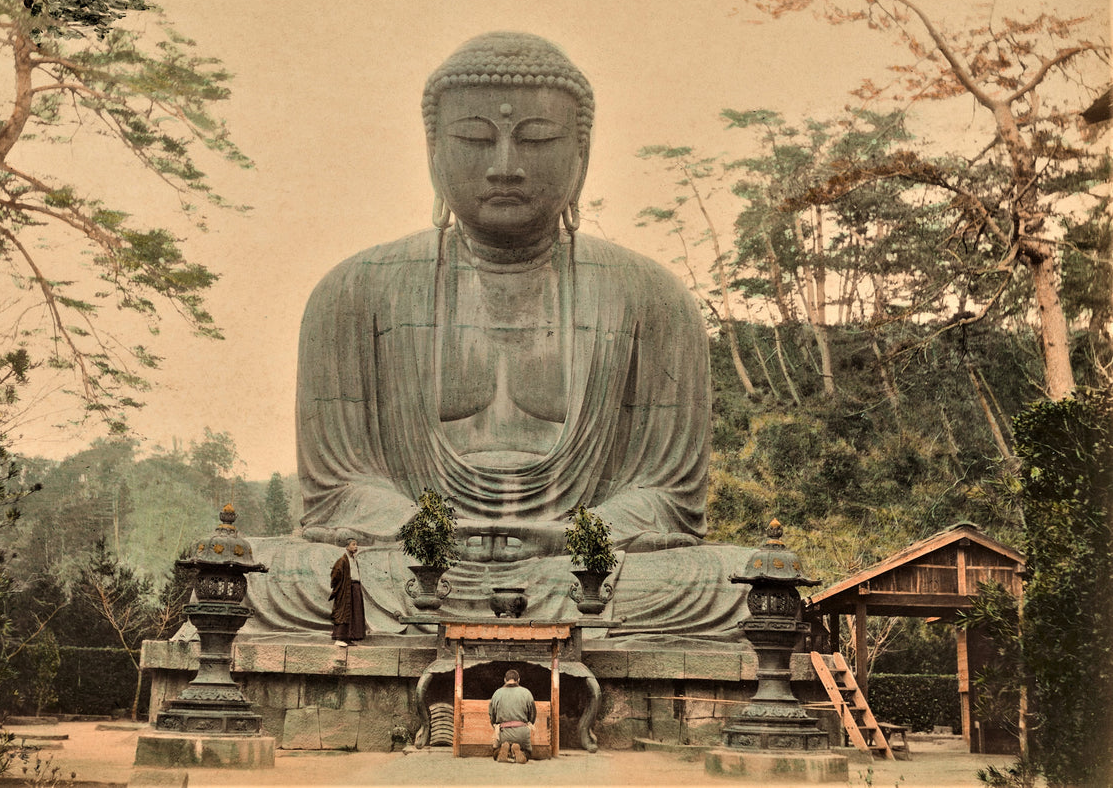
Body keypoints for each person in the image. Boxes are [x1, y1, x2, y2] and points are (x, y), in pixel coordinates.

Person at [243, 32, 752, 641]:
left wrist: (577, 533)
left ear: (581, 154)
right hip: (410, 563)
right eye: (474, 139)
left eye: (535, 139)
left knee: (735, 582)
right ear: (433, 150)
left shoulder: (651, 296)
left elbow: (668, 495)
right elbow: (334, 491)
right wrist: (426, 532)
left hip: (579, 565)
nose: (504, 164)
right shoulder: (353, 291)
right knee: (272, 574)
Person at [488, 669, 536, 763]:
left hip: (503, 732)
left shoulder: (497, 693)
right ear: (518, 680)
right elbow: (533, 715)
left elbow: (492, 716)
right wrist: (529, 724)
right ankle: (519, 751)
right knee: (527, 752)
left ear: (505, 680)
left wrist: (495, 726)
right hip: (522, 731)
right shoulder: (526, 693)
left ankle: (503, 749)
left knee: (495, 753)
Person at [329, 538, 365, 645]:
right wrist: (341, 586)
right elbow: (335, 575)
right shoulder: (342, 560)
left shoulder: (354, 560)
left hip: (355, 588)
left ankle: (349, 637)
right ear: (347, 547)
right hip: (347, 589)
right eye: (353, 544)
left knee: (354, 613)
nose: (356, 547)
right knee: (344, 612)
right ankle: (339, 638)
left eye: (356, 544)